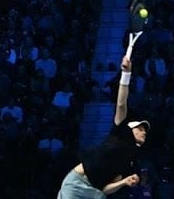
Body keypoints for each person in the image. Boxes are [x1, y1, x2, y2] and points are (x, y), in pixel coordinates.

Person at [58, 55, 147, 197]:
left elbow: (105, 189)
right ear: (129, 130)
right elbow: (121, 104)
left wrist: (124, 182)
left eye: (145, 131)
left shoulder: (130, 160)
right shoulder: (119, 134)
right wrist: (126, 74)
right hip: (76, 184)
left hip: (95, 193)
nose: (143, 132)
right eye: (139, 128)